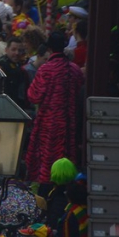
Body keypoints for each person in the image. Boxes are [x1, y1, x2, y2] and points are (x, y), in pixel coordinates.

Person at [26, 30, 84, 183]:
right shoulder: (75, 69)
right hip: (70, 122)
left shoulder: (46, 69)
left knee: (47, 158)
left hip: (49, 123)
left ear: (49, 49)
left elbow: (34, 96)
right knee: (67, 157)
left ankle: (47, 186)